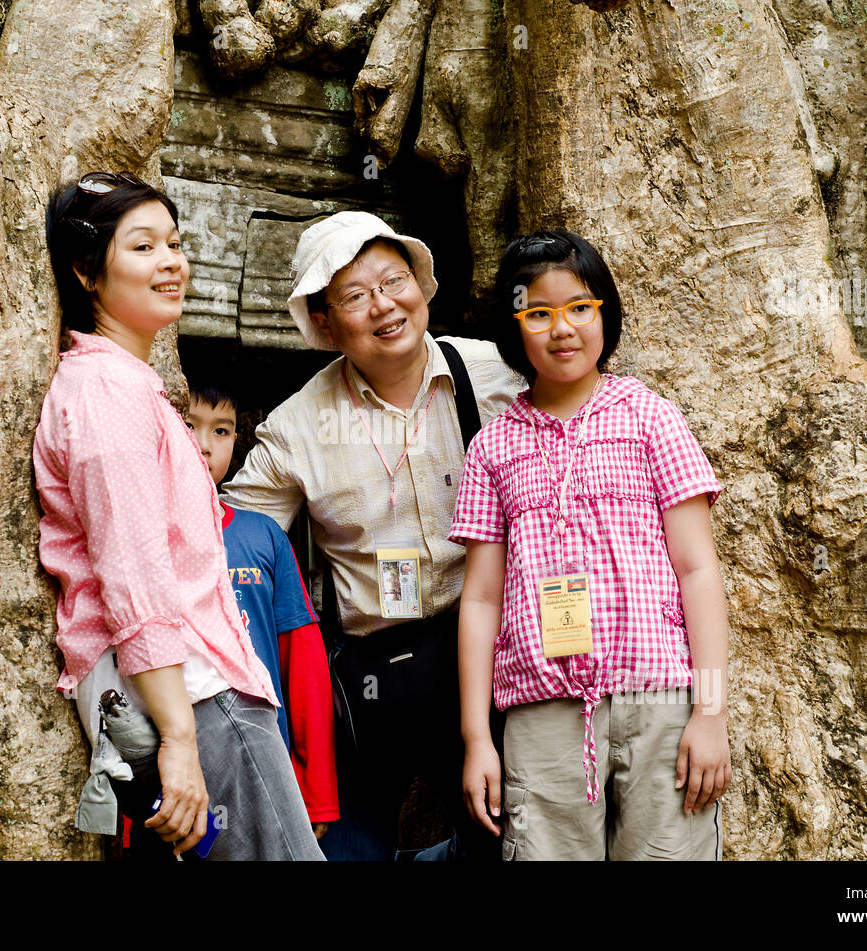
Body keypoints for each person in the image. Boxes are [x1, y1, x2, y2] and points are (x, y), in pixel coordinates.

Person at [33, 170, 323, 860]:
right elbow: (133, 579)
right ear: (86, 272)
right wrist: (183, 742)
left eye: (174, 242)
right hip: (193, 697)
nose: (171, 261)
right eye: (142, 247)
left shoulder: (129, 385)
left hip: (188, 698)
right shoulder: (106, 393)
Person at [221, 211, 526, 860]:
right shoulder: (298, 427)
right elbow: (233, 542)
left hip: (481, 654)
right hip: (367, 680)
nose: (384, 305)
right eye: (356, 296)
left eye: (394, 280)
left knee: (506, 843)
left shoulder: (495, 374)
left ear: (420, 285)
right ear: (326, 321)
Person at [450, 229, 732, 860]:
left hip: (661, 701)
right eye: (539, 313)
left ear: (605, 311)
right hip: (541, 710)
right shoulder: (492, 447)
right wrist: (477, 739)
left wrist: (710, 714)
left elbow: (698, 571)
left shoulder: (651, 418)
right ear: (513, 325)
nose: (563, 329)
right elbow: (480, 600)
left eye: (580, 308)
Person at [182, 376, 340, 837]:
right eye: (189, 424)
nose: (204, 445)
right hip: (177, 763)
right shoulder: (145, 536)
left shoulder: (262, 535)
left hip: (266, 756)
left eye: (221, 430)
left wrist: (316, 793)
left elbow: (303, 662)